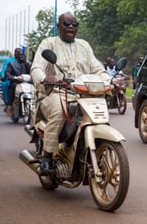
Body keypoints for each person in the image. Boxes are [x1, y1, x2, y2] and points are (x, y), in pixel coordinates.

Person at [31, 11, 112, 175]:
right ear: (58, 26)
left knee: (98, 112)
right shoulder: (49, 43)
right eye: (66, 24)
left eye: (74, 24)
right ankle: (47, 156)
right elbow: (36, 67)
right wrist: (46, 78)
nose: (70, 27)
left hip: (84, 94)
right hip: (56, 92)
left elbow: (97, 68)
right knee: (60, 111)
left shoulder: (84, 45)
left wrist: (108, 79)